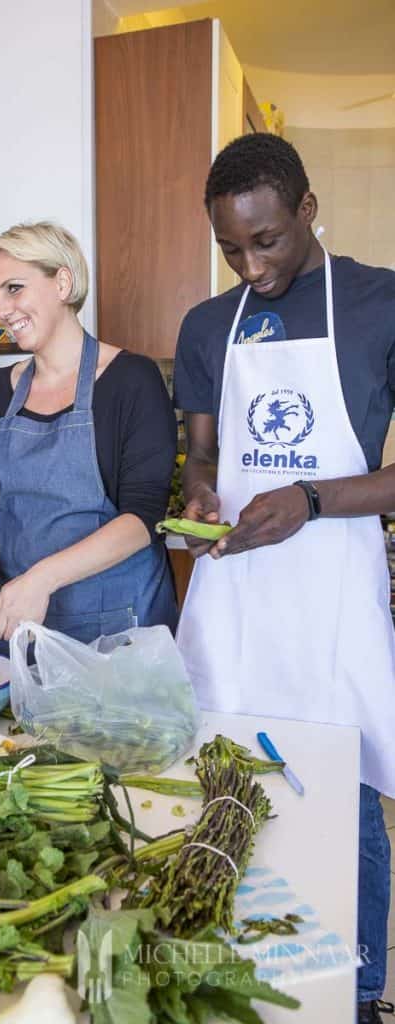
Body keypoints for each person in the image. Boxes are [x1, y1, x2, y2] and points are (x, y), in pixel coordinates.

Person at [173, 132, 395, 1023]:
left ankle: (359, 987)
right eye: (230, 247)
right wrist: (196, 493)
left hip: (332, 593)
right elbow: (201, 456)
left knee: (341, 790)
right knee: (229, 784)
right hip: (236, 592)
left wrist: (308, 497)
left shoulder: (380, 302)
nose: (250, 265)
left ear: (305, 211)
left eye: (265, 240)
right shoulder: (204, 325)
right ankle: (257, 970)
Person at [0, 221, 177, 651]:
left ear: (62, 282)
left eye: (14, 289)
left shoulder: (132, 380)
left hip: (119, 625)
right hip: (20, 625)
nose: (1, 310)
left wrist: (42, 579)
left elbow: (143, 517)